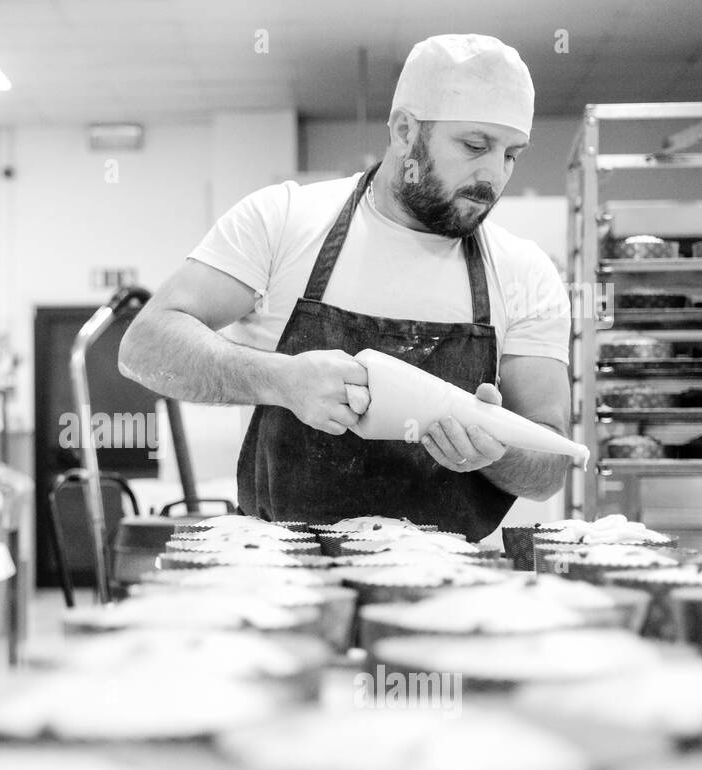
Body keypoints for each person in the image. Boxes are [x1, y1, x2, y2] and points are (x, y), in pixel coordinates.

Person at [118, 34, 571, 542]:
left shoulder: (525, 272)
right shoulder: (285, 221)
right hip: (283, 581)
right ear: (405, 129)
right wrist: (280, 379)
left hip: (446, 592)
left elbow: (551, 463)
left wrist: (500, 451)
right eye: (474, 146)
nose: (493, 175)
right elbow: (146, 344)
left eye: (512, 154)